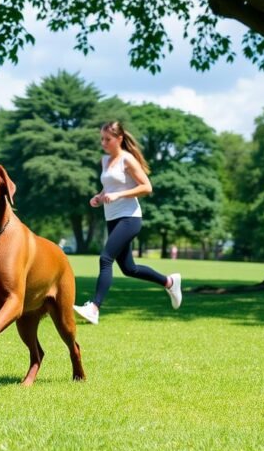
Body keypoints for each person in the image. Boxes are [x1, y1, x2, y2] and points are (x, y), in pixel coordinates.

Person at [73, 121, 182, 325]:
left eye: (108, 139)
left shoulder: (127, 159)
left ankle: (94, 308)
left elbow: (147, 187)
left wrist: (119, 195)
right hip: (112, 218)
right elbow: (110, 188)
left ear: (119, 139)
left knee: (105, 258)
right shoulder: (105, 160)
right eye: (102, 139)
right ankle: (169, 282)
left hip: (130, 218)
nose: (103, 142)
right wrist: (99, 197)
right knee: (129, 268)